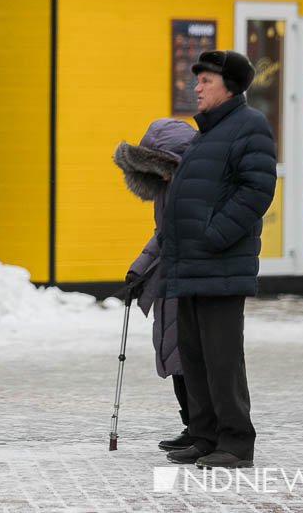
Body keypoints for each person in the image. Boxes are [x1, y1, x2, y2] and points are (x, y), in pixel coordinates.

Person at [160, 50, 277, 469]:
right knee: (194, 356)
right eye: (198, 81)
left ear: (229, 86)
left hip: (220, 264)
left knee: (223, 359)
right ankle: (205, 436)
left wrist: (215, 236)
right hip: (191, 265)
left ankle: (236, 442)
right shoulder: (207, 133)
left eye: (205, 80)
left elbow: (257, 190)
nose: (197, 87)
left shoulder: (250, 126)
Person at [113, 118, 198, 453]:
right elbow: (162, 236)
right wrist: (138, 271)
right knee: (175, 357)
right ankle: (192, 425)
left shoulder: (190, 187)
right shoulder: (169, 188)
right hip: (172, 279)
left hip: (188, 280)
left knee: (187, 359)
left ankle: (202, 427)